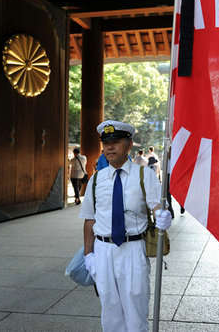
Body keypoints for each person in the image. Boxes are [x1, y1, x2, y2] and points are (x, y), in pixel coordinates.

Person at [79, 120, 172, 332]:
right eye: (106, 142)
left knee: (136, 310)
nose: (109, 147)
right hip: (103, 250)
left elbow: (157, 204)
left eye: (116, 142)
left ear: (129, 145)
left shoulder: (144, 174)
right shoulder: (96, 179)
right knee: (110, 311)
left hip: (133, 249)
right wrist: (88, 255)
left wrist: (162, 215)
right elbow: (89, 219)